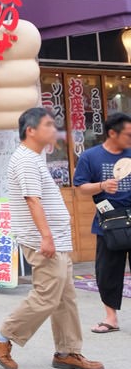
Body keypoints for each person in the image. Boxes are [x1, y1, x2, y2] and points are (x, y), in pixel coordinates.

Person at [0, 107, 104, 369]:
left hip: (56, 241)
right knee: (47, 296)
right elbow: (32, 199)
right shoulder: (26, 160)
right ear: (31, 130)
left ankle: (67, 351)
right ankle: (1, 336)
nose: (55, 130)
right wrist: (46, 237)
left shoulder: (34, 158)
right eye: (49, 125)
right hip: (44, 242)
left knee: (65, 298)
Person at [73, 111, 131, 333]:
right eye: (127, 134)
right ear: (112, 133)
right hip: (109, 221)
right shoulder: (90, 156)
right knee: (107, 271)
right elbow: (80, 189)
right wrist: (102, 186)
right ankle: (110, 318)